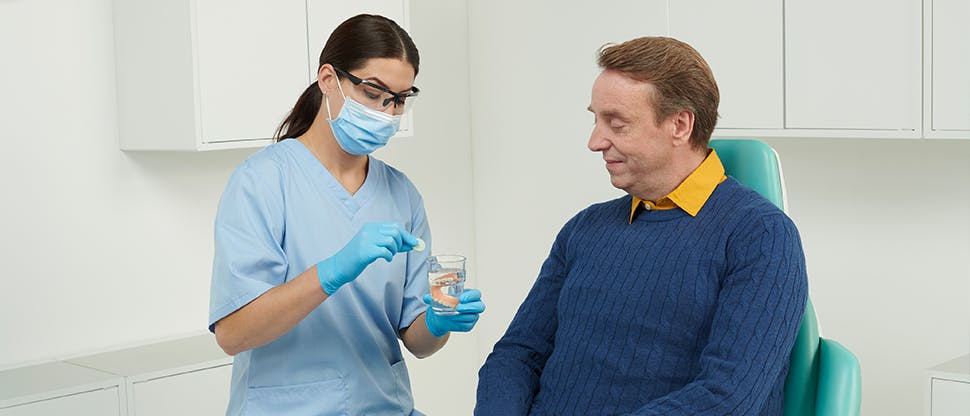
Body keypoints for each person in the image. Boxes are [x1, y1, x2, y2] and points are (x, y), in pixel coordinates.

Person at [475, 36, 807, 415]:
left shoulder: (761, 236)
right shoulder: (584, 229)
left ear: (679, 125)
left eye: (617, 124)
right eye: (596, 120)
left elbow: (728, 398)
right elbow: (517, 355)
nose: (594, 142)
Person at [208, 14, 485, 416]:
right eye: (373, 92)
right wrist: (332, 271)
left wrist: (440, 321)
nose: (386, 112)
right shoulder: (262, 181)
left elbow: (417, 341)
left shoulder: (402, 194)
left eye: (399, 100)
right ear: (328, 80)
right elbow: (233, 334)